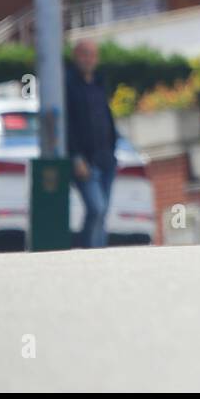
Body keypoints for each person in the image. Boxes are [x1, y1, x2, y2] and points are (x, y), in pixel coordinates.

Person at [65, 39, 119, 248]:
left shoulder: (98, 82)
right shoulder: (68, 84)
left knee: (103, 211)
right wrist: (76, 157)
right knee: (96, 208)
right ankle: (88, 251)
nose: (88, 59)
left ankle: (99, 253)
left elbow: (106, 116)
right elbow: (68, 124)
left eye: (92, 54)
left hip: (106, 158)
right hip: (85, 160)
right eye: (84, 54)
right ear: (76, 56)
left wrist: (114, 148)